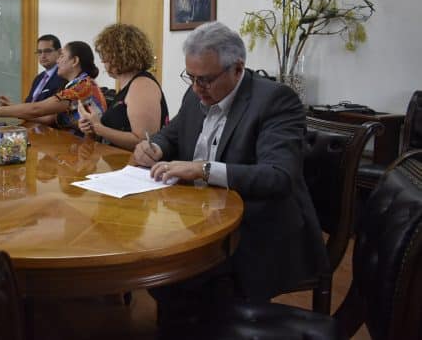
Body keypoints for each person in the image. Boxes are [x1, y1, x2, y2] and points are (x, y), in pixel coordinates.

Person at [133, 22, 328, 325]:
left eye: (205, 80)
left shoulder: (276, 100)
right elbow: (172, 133)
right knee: (158, 260)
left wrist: (203, 169)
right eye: (191, 77)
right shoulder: (196, 94)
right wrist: (154, 147)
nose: (196, 88)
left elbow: (278, 176)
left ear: (237, 69)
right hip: (200, 216)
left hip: (254, 227)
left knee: (177, 277)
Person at [77, 23, 169, 151]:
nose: (103, 61)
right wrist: (91, 127)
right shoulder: (128, 85)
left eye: (105, 56)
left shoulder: (142, 85)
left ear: (119, 56)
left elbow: (144, 141)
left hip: (134, 162)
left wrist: (99, 128)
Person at [0, 41, 106, 130]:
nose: (57, 61)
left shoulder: (83, 86)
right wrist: (12, 108)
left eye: (61, 56)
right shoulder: (78, 84)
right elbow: (49, 118)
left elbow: (36, 109)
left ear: (75, 61)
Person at [0, 34, 66, 105]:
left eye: (47, 51)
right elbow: (28, 105)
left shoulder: (64, 76)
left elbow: (50, 109)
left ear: (59, 52)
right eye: (39, 52)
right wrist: (11, 106)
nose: (43, 56)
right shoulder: (38, 78)